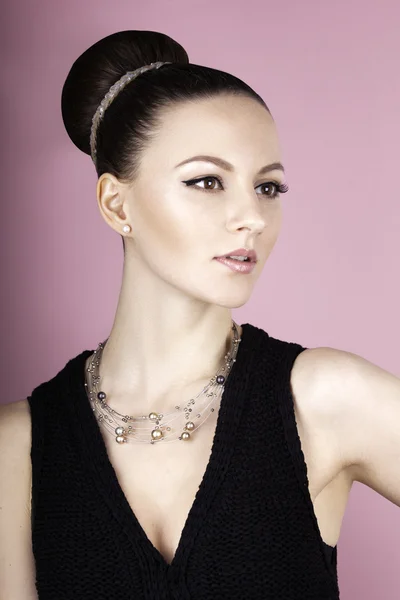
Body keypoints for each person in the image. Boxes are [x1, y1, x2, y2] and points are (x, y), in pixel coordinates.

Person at [0, 30, 399, 600]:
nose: (252, 217)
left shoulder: (325, 400)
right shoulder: (17, 447)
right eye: (207, 181)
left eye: (268, 187)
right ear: (117, 204)